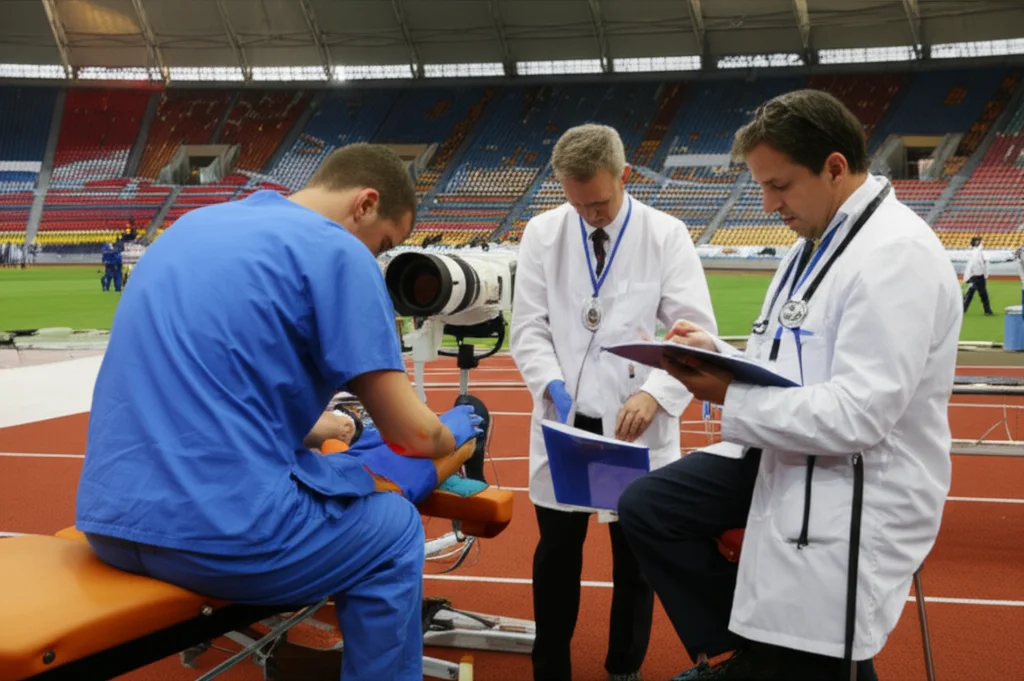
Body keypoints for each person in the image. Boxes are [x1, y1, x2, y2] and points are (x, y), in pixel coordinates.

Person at [75, 143, 484, 681]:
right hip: (220, 539)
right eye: (384, 243)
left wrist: (321, 427)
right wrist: (456, 429)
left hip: (109, 523)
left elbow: (213, 381)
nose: (377, 257)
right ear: (364, 203)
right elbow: (411, 433)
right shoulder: (340, 253)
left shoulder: (190, 227)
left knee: (328, 469)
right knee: (395, 529)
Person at [616, 89, 963, 680]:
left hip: (860, 479)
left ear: (833, 167)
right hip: (789, 447)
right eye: (762, 186)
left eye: (778, 185)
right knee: (649, 507)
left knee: (822, 647)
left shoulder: (894, 255)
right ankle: (751, 650)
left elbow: (859, 414)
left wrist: (727, 393)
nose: (767, 202)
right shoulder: (814, 241)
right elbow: (784, 358)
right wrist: (719, 356)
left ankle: (770, 657)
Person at [509, 123, 717, 681]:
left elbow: (693, 330)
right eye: (576, 203)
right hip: (566, 425)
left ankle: (623, 667)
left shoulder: (665, 234)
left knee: (636, 558)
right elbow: (528, 327)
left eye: (599, 202)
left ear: (625, 176)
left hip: (634, 428)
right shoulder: (543, 233)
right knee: (556, 555)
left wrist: (656, 393)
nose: (589, 214)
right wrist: (549, 382)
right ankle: (549, 668)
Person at [962, 236, 992, 315]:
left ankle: (963, 309)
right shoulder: (977, 252)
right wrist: (985, 274)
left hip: (975, 276)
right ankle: (987, 310)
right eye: (980, 241)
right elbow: (979, 263)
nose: (982, 242)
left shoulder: (975, 252)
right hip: (977, 276)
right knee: (981, 294)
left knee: (971, 294)